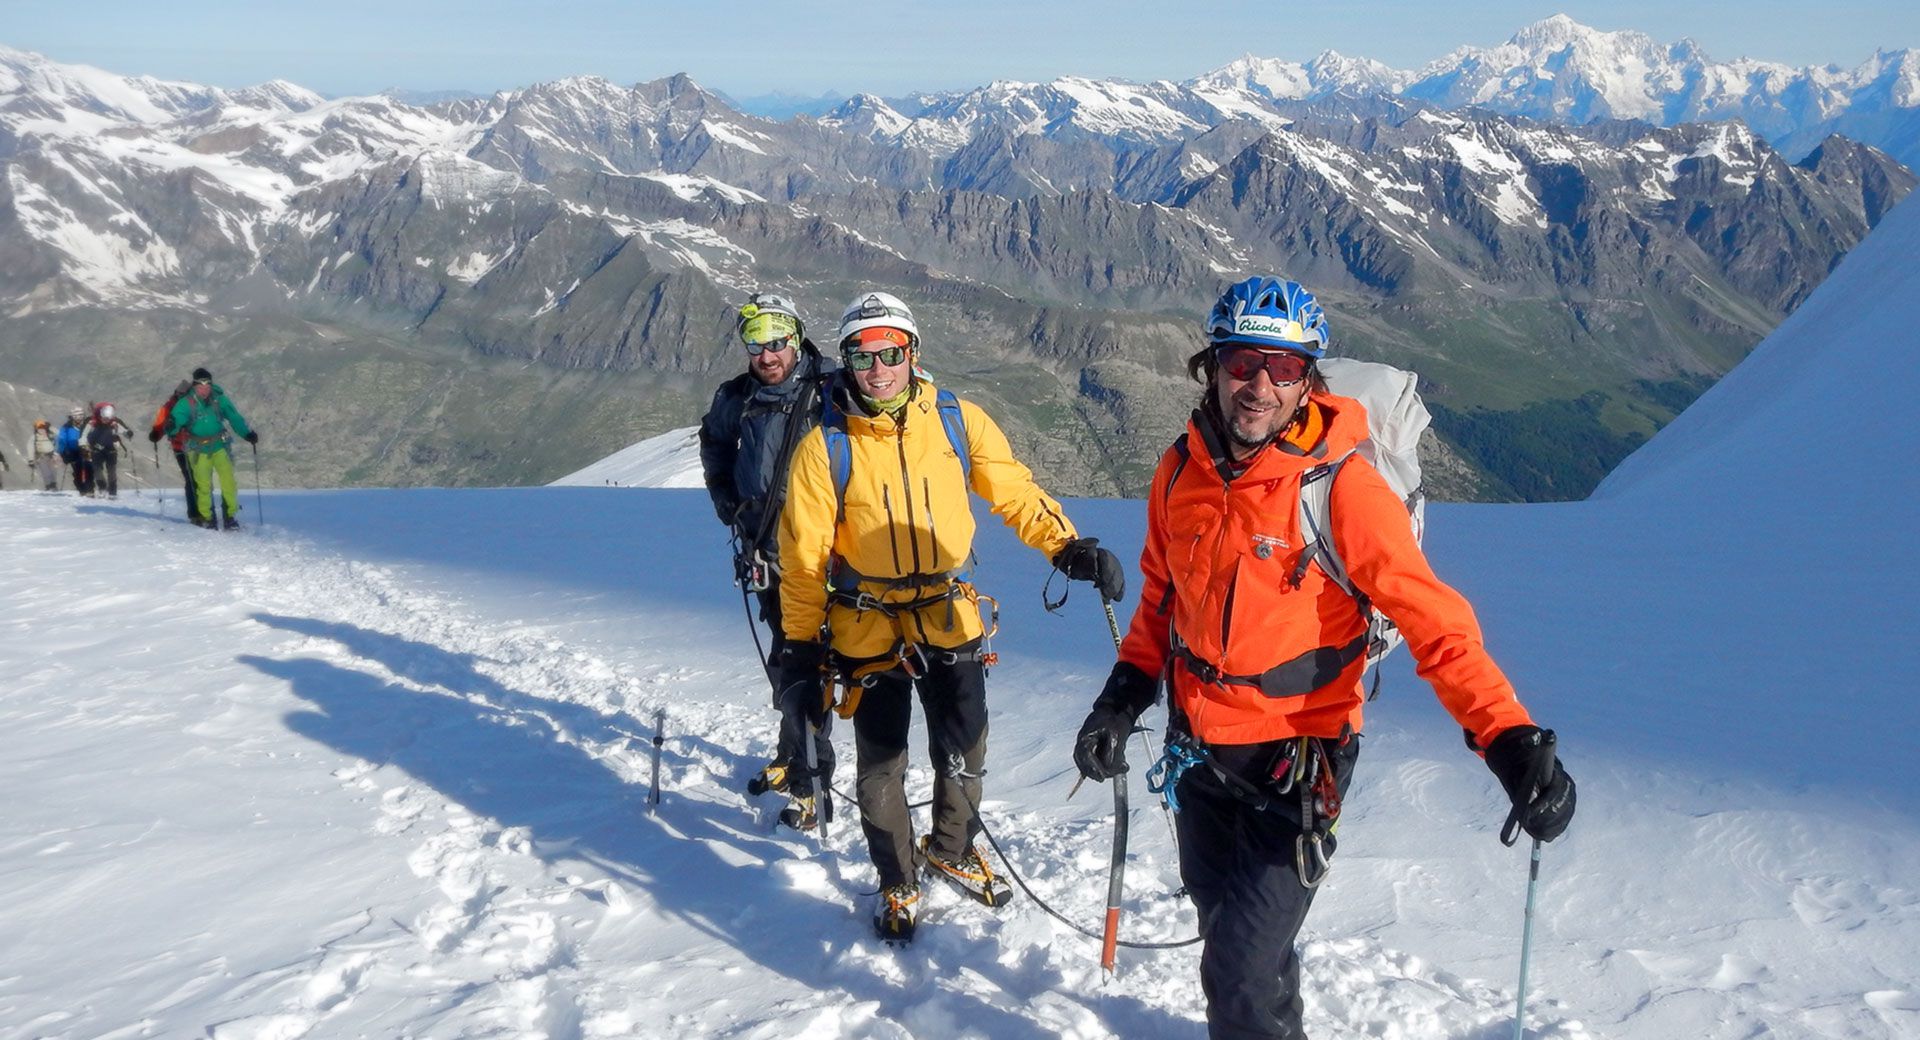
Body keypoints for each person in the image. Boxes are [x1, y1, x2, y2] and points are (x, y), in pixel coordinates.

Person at [1070, 276, 1576, 1040]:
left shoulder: (1342, 490)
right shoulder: (1180, 472)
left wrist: (1508, 740)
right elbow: (1159, 604)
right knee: (1238, 946)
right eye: (1244, 362)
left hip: (1298, 759)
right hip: (1199, 755)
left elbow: (1435, 622)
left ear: (1310, 379)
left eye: (1284, 367)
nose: (1259, 386)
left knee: (1237, 970)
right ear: (1212, 367)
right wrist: (1120, 699)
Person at [777, 290, 1124, 942]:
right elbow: (801, 560)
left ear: (913, 353)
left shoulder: (957, 420)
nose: (879, 368)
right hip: (865, 624)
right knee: (881, 764)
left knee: (964, 747)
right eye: (862, 354)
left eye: (892, 352)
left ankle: (951, 847)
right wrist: (799, 646)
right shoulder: (824, 448)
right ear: (845, 361)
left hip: (948, 613)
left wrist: (1066, 543)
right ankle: (897, 879)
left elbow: (1011, 487)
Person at [697, 291, 839, 830]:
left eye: (778, 340)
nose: (768, 353)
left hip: (824, 561)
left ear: (796, 337)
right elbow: (714, 443)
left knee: (811, 667)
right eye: (756, 342)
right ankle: (792, 755)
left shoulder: (830, 387)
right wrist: (725, 500)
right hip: (766, 553)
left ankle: (810, 784)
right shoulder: (736, 397)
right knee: (788, 661)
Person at [165, 367, 256, 529]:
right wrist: (172, 427)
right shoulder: (185, 403)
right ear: (194, 386)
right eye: (200, 386)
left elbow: (234, 417)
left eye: (207, 386)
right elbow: (177, 418)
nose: (204, 390)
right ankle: (208, 517)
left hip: (220, 446)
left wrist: (247, 434)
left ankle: (230, 516)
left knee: (228, 482)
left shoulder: (219, 399)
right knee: (203, 485)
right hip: (197, 449)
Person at [149, 380, 202, 524]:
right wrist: (156, 433)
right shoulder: (171, 406)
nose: (180, 396)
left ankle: (199, 512)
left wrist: (156, 433)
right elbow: (160, 424)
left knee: (197, 479)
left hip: (192, 446)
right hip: (182, 447)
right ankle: (196, 513)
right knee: (192, 478)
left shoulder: (174, 404)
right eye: (179, 394)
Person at [83, 403, 135, 499]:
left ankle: (112, 491)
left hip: (111, 450)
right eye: (104, 418)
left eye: (108, 419)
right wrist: (84, 446)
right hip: (96, 450)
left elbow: (124, 431)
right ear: (100, 415)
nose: (105, 420)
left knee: (111, 471)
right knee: (97, 470)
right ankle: (102, 487)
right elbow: (84, 436)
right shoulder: (92, 423)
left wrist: (129, 433)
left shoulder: (114, 424)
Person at [56, 407, 90, 495]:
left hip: (86, 450)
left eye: (81, 416)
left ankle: (89, 488)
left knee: (88, 469)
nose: (79, 418)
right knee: (78, 470)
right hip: (72, 452)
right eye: (77, 416)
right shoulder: (66, 427)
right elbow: (62, 440)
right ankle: (82, 489)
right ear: (73, 417)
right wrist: (62, 452)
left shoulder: (87, 425)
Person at [30, 419, 62, 491]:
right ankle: (48, 486)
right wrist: (31, 460)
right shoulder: (34, 437)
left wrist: (50, 427)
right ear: (36, 429)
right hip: (41, 457)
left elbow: (60, 434)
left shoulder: (50, 435)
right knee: (46, 472)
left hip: (52, 456)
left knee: (53, 472)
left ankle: (53, 485)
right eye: (39, 428)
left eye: (43, 428)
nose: (41, 430)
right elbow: (30, 448)